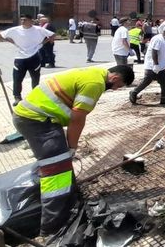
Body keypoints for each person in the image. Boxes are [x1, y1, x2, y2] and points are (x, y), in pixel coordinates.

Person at [12, 65, 134, 236]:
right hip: (37, 121)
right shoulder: (95, 83)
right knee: (56, 172)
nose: (115, 89)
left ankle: (70, 202)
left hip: (38, 118)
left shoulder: (93, 73)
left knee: (59, 164)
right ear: (115, 78)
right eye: (118, 86)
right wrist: (72, 147)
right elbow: (77, 118)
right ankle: (51, 226)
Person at [0, 14, 55, 104]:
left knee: (35, 79)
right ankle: (17, 97)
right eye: (21, 20)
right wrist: (13, 42)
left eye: (25, 20)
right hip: (20, 58)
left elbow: (52, 35)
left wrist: (42, 43)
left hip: (34, 57)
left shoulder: (38, 29)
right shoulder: (15, 29)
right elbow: (0, 35)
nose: (23, 21)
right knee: (17, 78)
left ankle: (35, 96)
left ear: (31, 21)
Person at [129, 24, 165, 105]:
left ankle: (164, 98)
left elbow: (163, 54)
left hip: (161, 66)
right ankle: (134, 92)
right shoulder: (158, 39)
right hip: (152, 66)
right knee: (146, 81)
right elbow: (154, 52)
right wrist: (156, 65)